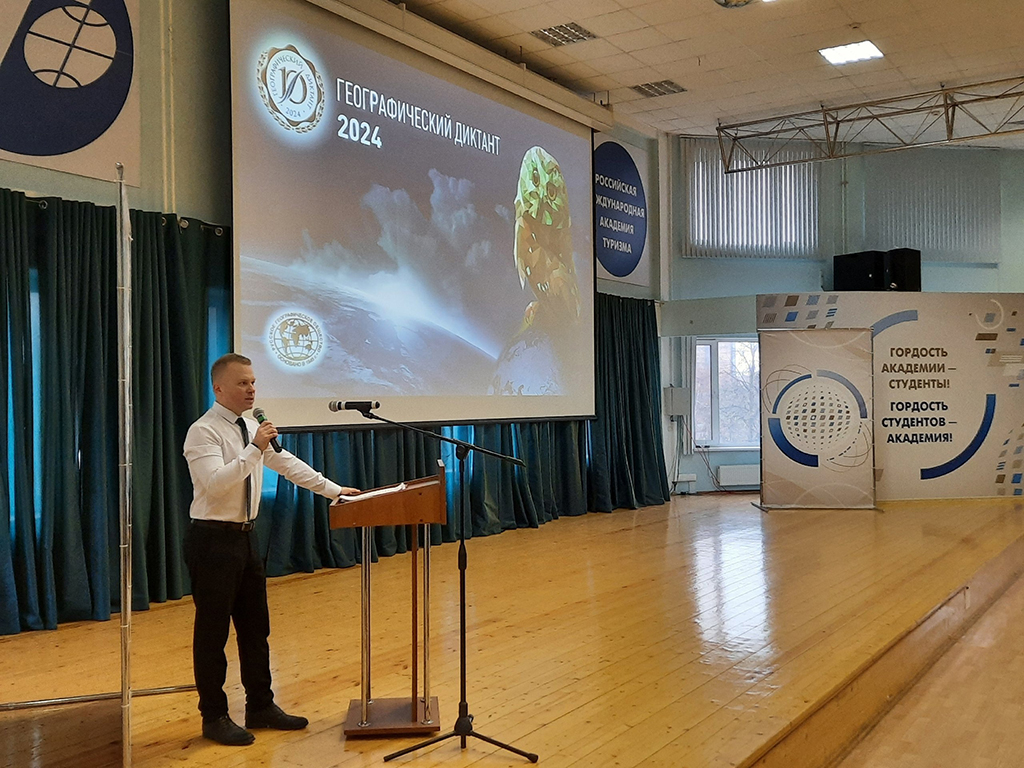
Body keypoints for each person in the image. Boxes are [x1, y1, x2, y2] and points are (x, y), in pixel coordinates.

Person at [182, 353, 358, 746]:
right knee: (212, 633)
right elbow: (216, 484)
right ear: (219, 388)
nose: (251, 390)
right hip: (212, 540)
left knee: (255, 629)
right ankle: (214, 716)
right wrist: (253, 449)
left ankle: (260, 706)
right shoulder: (203, 431)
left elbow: (287, 464)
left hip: (246, 538)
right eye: (242, 383)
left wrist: (333, 490)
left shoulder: (251, 427)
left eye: (253, 382)